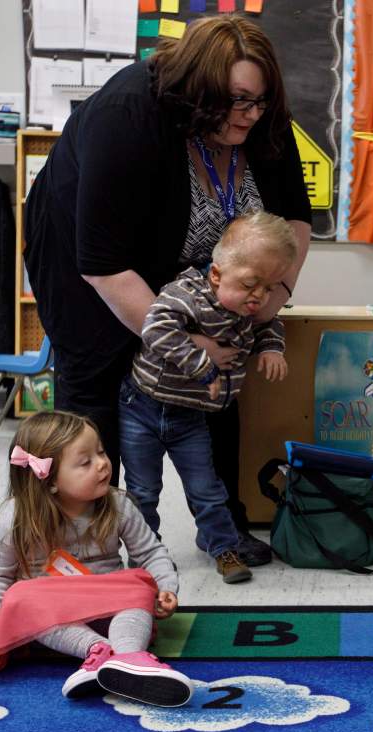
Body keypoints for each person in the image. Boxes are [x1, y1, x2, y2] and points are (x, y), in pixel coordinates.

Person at [24, 15, 311, 570]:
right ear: (198, 93)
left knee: (223, 368)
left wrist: (266, 300)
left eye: (260, 101)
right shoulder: (127, 115)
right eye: (239, 102)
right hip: (85, 258)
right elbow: (103, 265)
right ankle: (90, 537)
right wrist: (180, 342)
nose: (252, 115)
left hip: (190, 254)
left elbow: (296, 218)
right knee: (96, 382)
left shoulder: (263, 115)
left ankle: (220, 526)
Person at [0, 411, 191, 706]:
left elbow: (150, 553)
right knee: (21, 597)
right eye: (85, 462)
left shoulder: (118, 505)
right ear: (49, 482)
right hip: (58, 624)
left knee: (140, 586)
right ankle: (100, 652)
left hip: (113, 610)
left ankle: (129, 656)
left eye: (101, 452)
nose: (102, 464)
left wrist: (165, 587)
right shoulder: (16, 517)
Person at [119, 211, 292, 585]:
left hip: (190, 416)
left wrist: (272, 350)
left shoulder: (247, 306)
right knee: (143, 491)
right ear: (216, 274)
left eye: (269, 287)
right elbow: (156, 329)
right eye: (251, 284)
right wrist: (205, 366)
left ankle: (223, 548)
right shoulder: (186, 294)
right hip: (144, 407)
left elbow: (269, 325)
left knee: (208, 490)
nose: (259, 296)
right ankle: (143, 557)